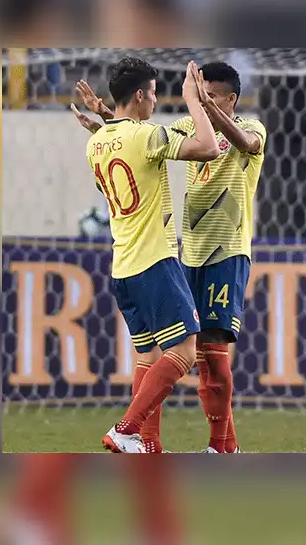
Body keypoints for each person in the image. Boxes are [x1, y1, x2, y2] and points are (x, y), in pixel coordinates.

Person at [76, 61, 266, 454]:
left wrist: (105, 119)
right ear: (144, 95)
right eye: (202, 95)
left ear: (232, 100)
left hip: (225, 250)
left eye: (213, 97)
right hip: (177, 256)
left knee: (210, 349)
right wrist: (189, 105)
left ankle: (219, 445)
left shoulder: (252, 126)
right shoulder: (177, 128)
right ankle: (139, 434)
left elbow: (244, 144)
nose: (204, 102)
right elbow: (143, 140)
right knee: (183, 352)